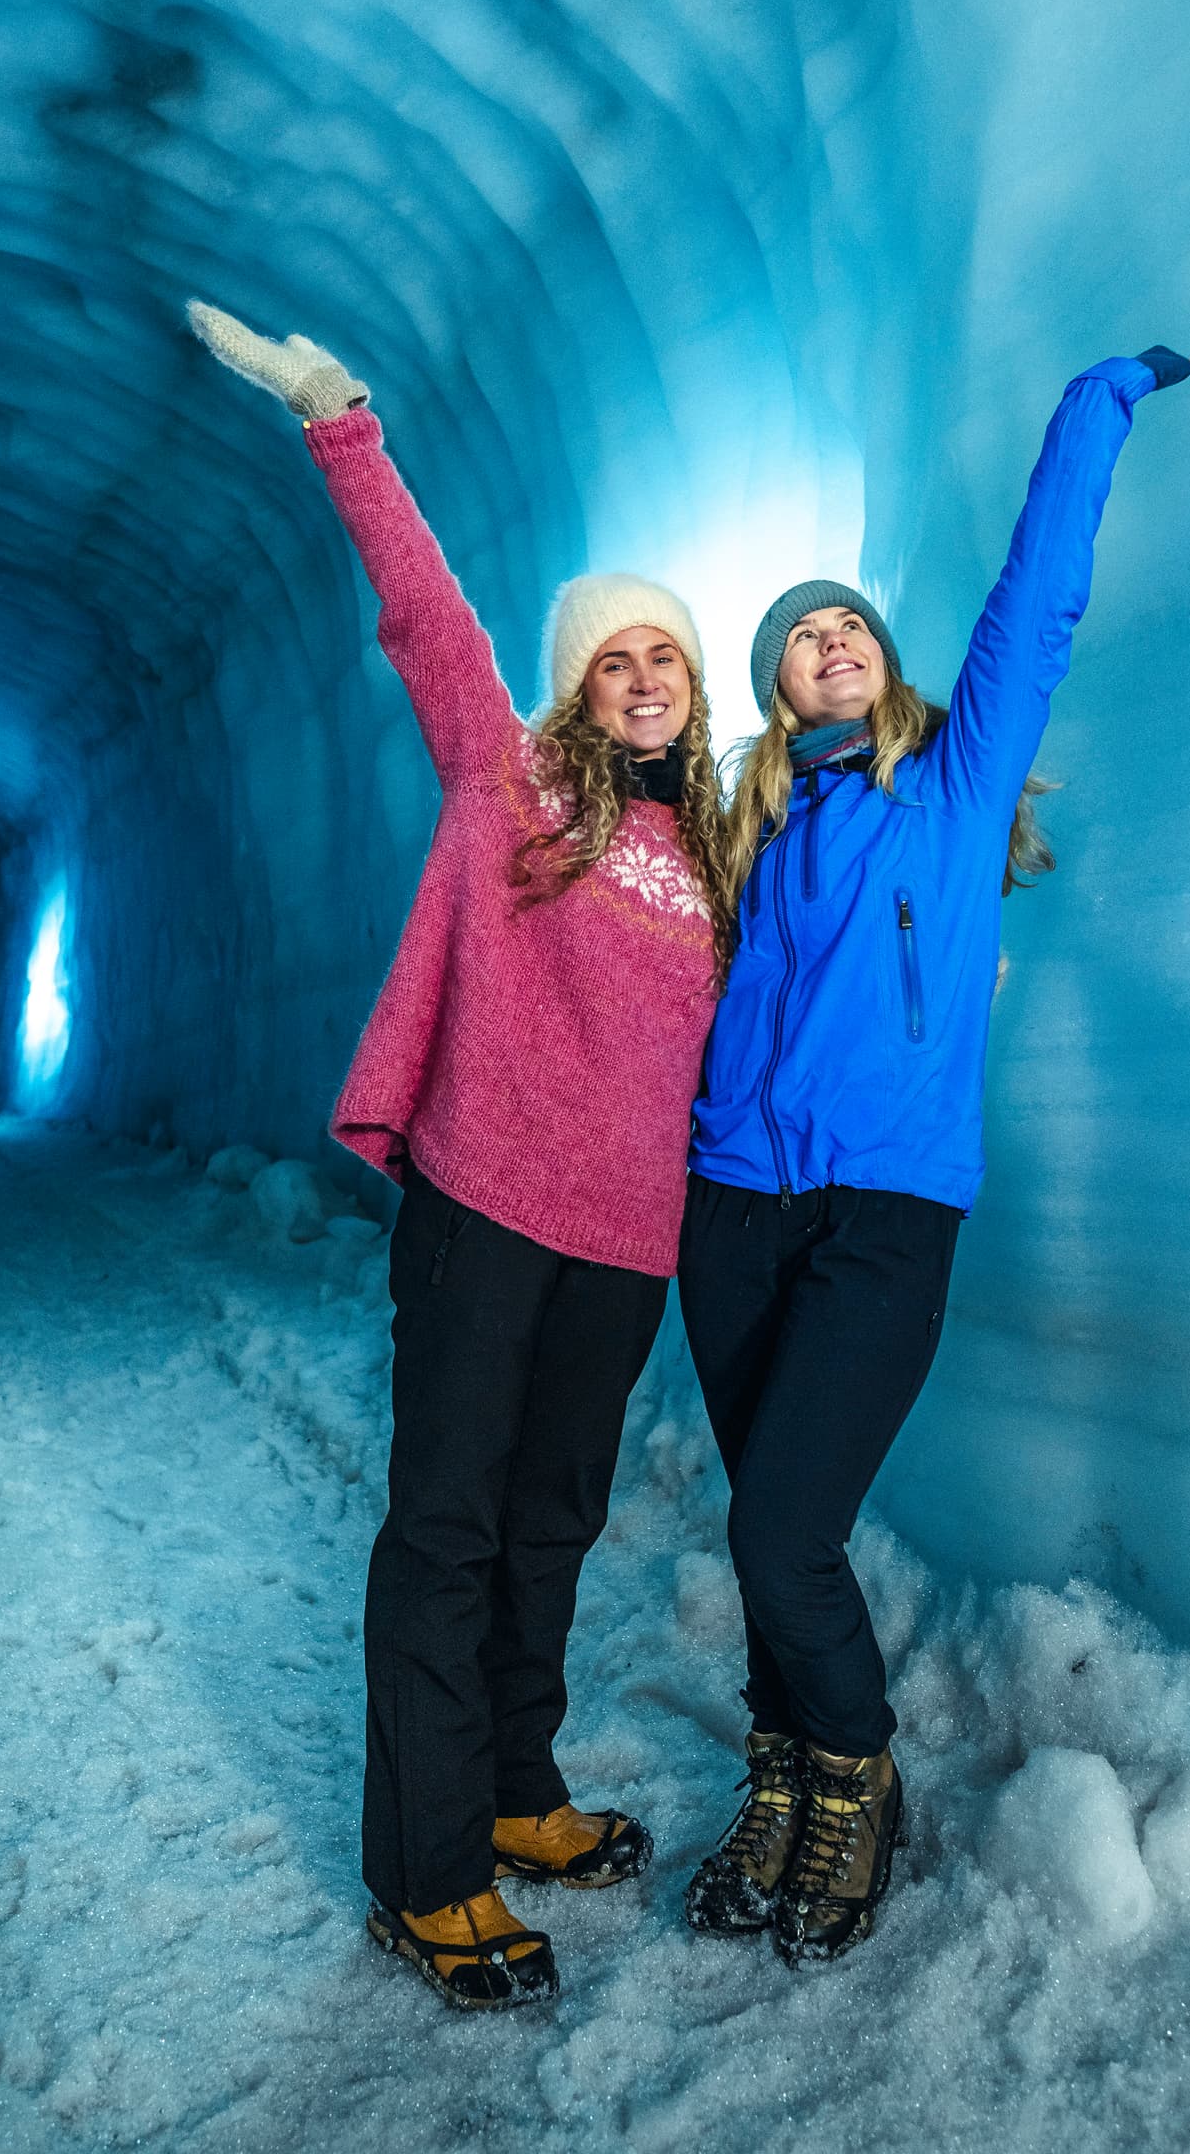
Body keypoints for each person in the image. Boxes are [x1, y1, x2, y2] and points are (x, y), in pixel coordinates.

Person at [187, 300, 732, 2013]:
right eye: (616, 659)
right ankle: (427, 1874)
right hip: (486, 1207)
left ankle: (515, 1789)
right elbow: (426, 614)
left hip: (627, 1242)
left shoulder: (716, 855)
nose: (642, 682)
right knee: (446, 1525)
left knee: (554, 1522)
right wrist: (341, 422)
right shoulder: (509, 783)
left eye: (668, 661)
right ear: (578, 681)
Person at [677, 344, 1190, 1966]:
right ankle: (785, 1771)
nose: (825, 644)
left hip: (888, 1208)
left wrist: (1092, 408)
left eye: (844, 626)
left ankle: (857, 1772)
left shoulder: (955, 787)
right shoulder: (745, 829)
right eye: (794, 641)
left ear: (878, 659)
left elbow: (1033, 610)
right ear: (773, 693)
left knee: (783, 1529)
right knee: (768, 1511)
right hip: (733, 1206)